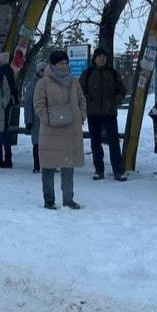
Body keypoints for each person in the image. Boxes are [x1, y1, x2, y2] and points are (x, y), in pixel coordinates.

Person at [33, 50, 86, 210]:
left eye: (65, 62)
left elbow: (82, 100)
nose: (64, 65)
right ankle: (49, 200)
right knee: (48, 166)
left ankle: (68, 199)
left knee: (68, 164)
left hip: (71, 129)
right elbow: (38, 104)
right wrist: (47, 119)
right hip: (51, 130)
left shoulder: (74, 81)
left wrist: (81, 116)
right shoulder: (44, 82)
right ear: (53, 64)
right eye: (60, 63)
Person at [79, 46, 128, 182]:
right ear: (94, 59)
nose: (102, 58)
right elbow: (80, 90)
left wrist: (115, 100)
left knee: (114, 142)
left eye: (104, 56)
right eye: (100, 56)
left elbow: (122, 90)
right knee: (95, 142)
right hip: (93, 113)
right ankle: (98, 170)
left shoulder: (112, 73)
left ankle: (118, 170)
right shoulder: (87, 73)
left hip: (109, 112)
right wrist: (88, 99)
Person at [0, 51, 19, 168]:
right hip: (7, 105)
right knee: (4, 131)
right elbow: (14, 89)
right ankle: (7, 157)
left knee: (0, 131)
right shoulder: (9, 72)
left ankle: (1, 157)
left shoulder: (1, 72)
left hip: (1, 105)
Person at [22, 61, 47, 173]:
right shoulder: (33, 84)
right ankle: (37, 165)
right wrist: (28, 120)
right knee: (37, 143)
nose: (44, 72)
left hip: (48, 118)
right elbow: (27, 102)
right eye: (42, 70)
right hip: (36, 118)